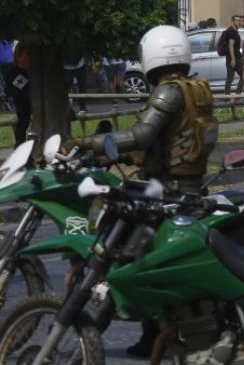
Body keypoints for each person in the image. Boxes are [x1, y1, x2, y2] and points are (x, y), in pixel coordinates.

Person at [74, 25, 219, 357]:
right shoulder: (197, 89)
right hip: (191, 187)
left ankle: (138, 331)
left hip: (164, 192)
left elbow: (142, 135)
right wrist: (117, 151)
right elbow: (162, 141)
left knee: (134, 258)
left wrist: (88, 143)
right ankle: (153, 332)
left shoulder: (168, 92)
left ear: (151, 56)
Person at [7, 43, 30, 145]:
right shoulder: (22, 46)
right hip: (19, 76)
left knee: (24, 119)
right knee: (23, 119)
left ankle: (21, 144)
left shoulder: (21, 45)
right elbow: (22, 62)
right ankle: (20, 144)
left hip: (20, 75)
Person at [221, 15, 244, 95]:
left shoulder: (234, 31)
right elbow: (231, 45)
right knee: (242, 76)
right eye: (237, 20)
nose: (239, 22)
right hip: (235, 58)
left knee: (231, 78)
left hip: (234, 58)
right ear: (233, 21)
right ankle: (234, 95)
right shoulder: (232, 32)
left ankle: (232, 96)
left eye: (240, 21)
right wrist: (233, 59)